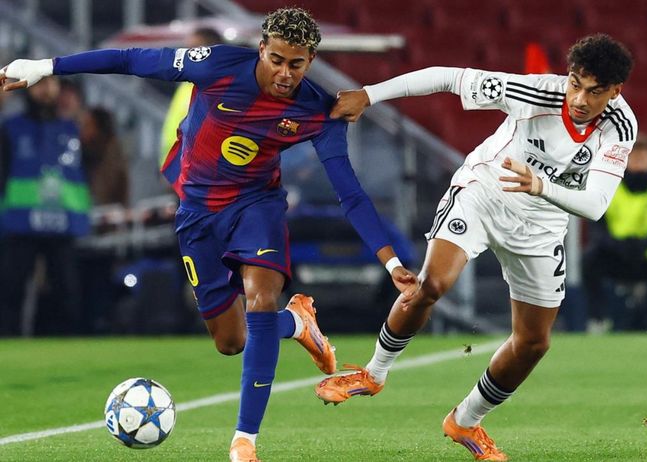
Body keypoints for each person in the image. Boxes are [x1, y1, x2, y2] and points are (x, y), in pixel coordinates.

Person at [0, 8, 417, 461]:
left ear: (310, 61)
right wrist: (48, 66)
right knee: (230, 341)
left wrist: (391, 261)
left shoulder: (317, 111)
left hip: (257, 207)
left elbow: (349, 193)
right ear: (262, 49)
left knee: (260, 300)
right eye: (276, 60)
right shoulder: (217, 64)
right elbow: (131, 60)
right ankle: (297, 323)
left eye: (296, 65)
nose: (284, 73)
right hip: (198, 212)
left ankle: (244, 442)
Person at [315, 33, 636, 461]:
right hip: (484, 195)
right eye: (575, 83)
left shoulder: (621, 126)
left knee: (534, 342)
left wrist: (539, 186)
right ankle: (373, 374)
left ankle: (466, 420)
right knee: (431, 285)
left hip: (541, 227)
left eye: (594, 92)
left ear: (615, 91)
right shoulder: (534, 92)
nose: (579, 98)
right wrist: (370, 95)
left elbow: (595, 206)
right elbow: (449, 77)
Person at [0, 76, 91, 336]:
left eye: (51, 84)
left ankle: (64, 344)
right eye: (40, 84)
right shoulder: (10, 128)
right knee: (11, 288)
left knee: (67, 290)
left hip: (62, 220)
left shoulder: (73, 129)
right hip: (20, 220)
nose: (46, 89)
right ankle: (7, 341)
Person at [582, 133, 647, 331]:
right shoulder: (609, 182)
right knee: (590, 259)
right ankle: (598, 319)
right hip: (618, 254)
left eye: (644, 156)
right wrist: (620, 246)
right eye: (635, 156)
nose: (640, 160)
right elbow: (596, 226)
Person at [160, 27, 223, 167]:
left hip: (196, 171)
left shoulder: (219, 88)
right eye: (186, 50)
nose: (187, 55)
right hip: (173, 167)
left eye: (193, 49)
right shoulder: (186, 86)